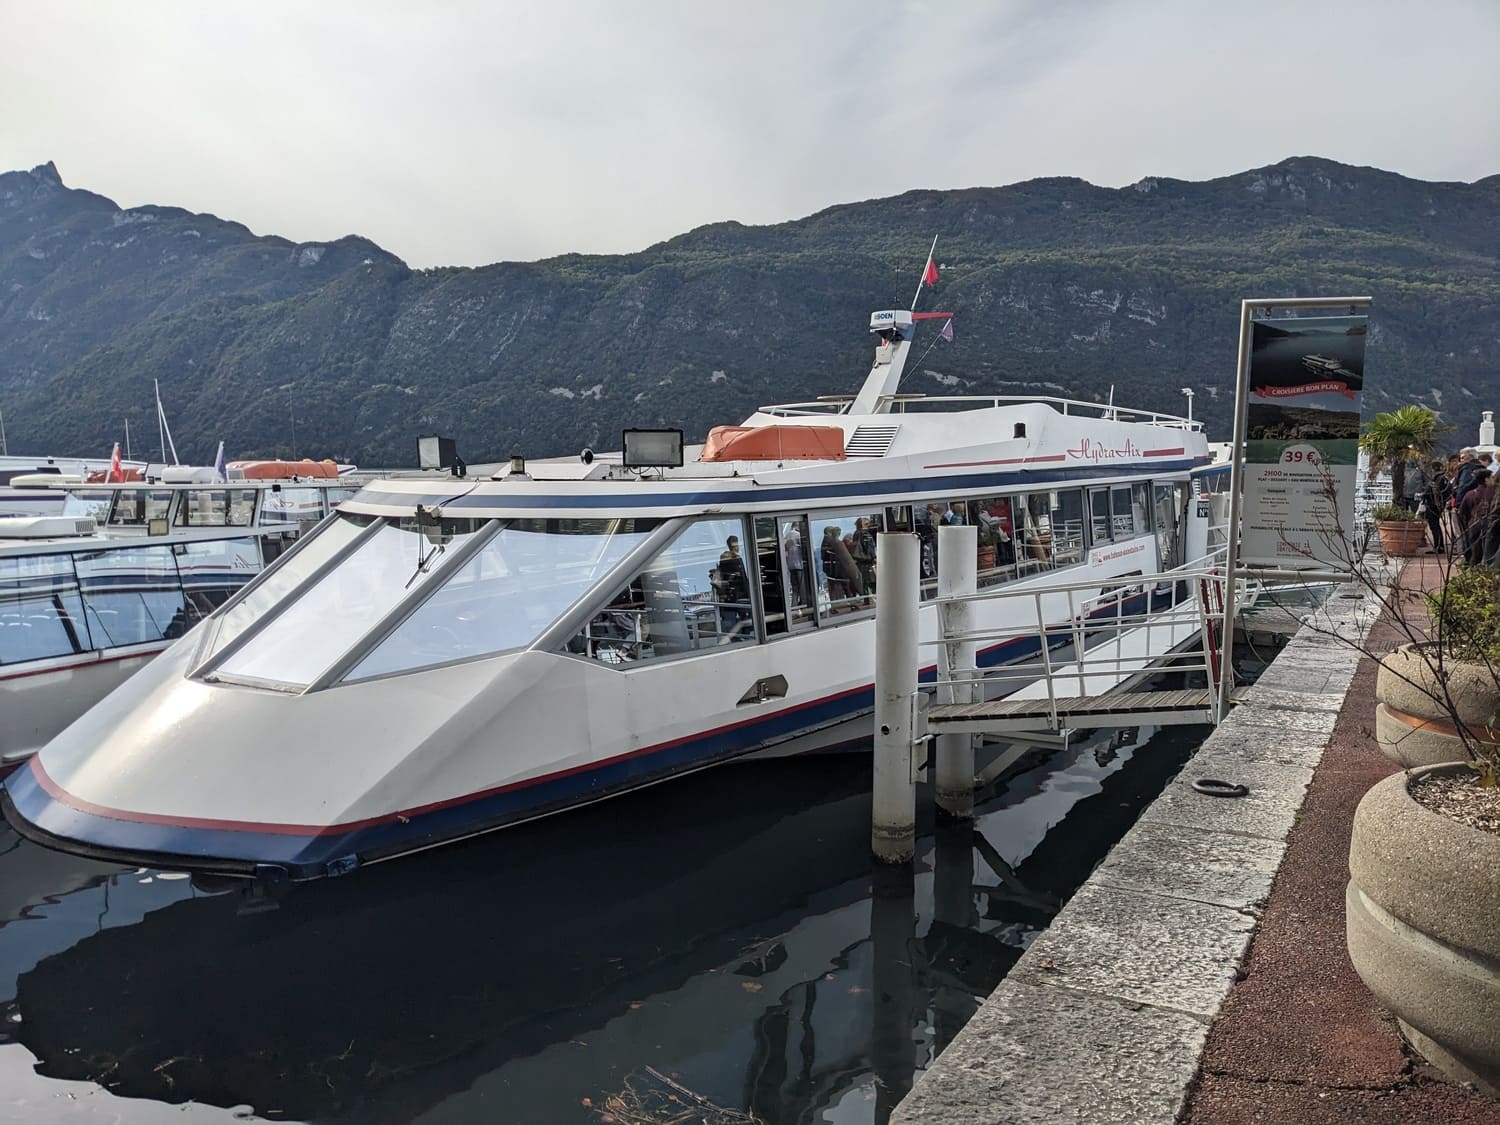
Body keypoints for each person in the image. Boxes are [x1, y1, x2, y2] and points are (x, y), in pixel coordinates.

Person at [716, 535, 750, 632]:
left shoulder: (725, 558)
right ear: (734, 545)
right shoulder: (735, 558)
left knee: (734, 617)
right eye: (737, 544)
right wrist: (748, 591)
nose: (739, 547)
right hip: (738, 593)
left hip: (732, 593)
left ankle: (738, 635)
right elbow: (742, 577)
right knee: (742, 616)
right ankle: (742, 635)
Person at [1458, 467, 1493, 564]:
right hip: (1491, 525)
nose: (1493, 480)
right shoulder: (1494, 493)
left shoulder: (1470, 494)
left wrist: (1467, 525)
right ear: (1486, 479)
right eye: (1491, 477)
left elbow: (1462, 512)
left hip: (1474, 525)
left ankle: (1473, 574)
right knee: (1491, 554)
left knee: (1476, 553)